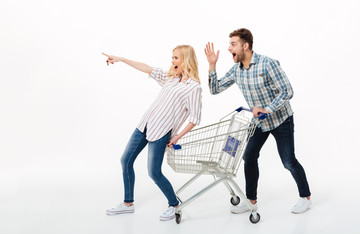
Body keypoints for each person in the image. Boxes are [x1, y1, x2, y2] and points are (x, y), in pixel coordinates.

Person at [204, 28, 311, 214]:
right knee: (249, 157)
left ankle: (305, 197)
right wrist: (212, 66)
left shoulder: (267, 63)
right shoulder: (236, 70)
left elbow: (287, 91)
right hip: (259, 123)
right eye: (229, 44)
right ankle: (251, 201)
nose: (229, 48)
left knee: (288, 161)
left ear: (246, 46)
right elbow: (215, 89)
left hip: (281, 120)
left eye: (233, 44)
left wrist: (267, 109)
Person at [103, 45, 202, 221]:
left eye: (176, 58)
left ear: (186, 59)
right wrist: (121, 59)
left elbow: (195, 118)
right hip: (145, 124)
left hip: (162, 132)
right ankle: (128, 204)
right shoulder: (171, 78)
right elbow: (147, 68)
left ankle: (175, 204)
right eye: (172, 57)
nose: (172, 61)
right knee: (125, 160)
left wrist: (176, 137)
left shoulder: (193, 88)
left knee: (154, 172)